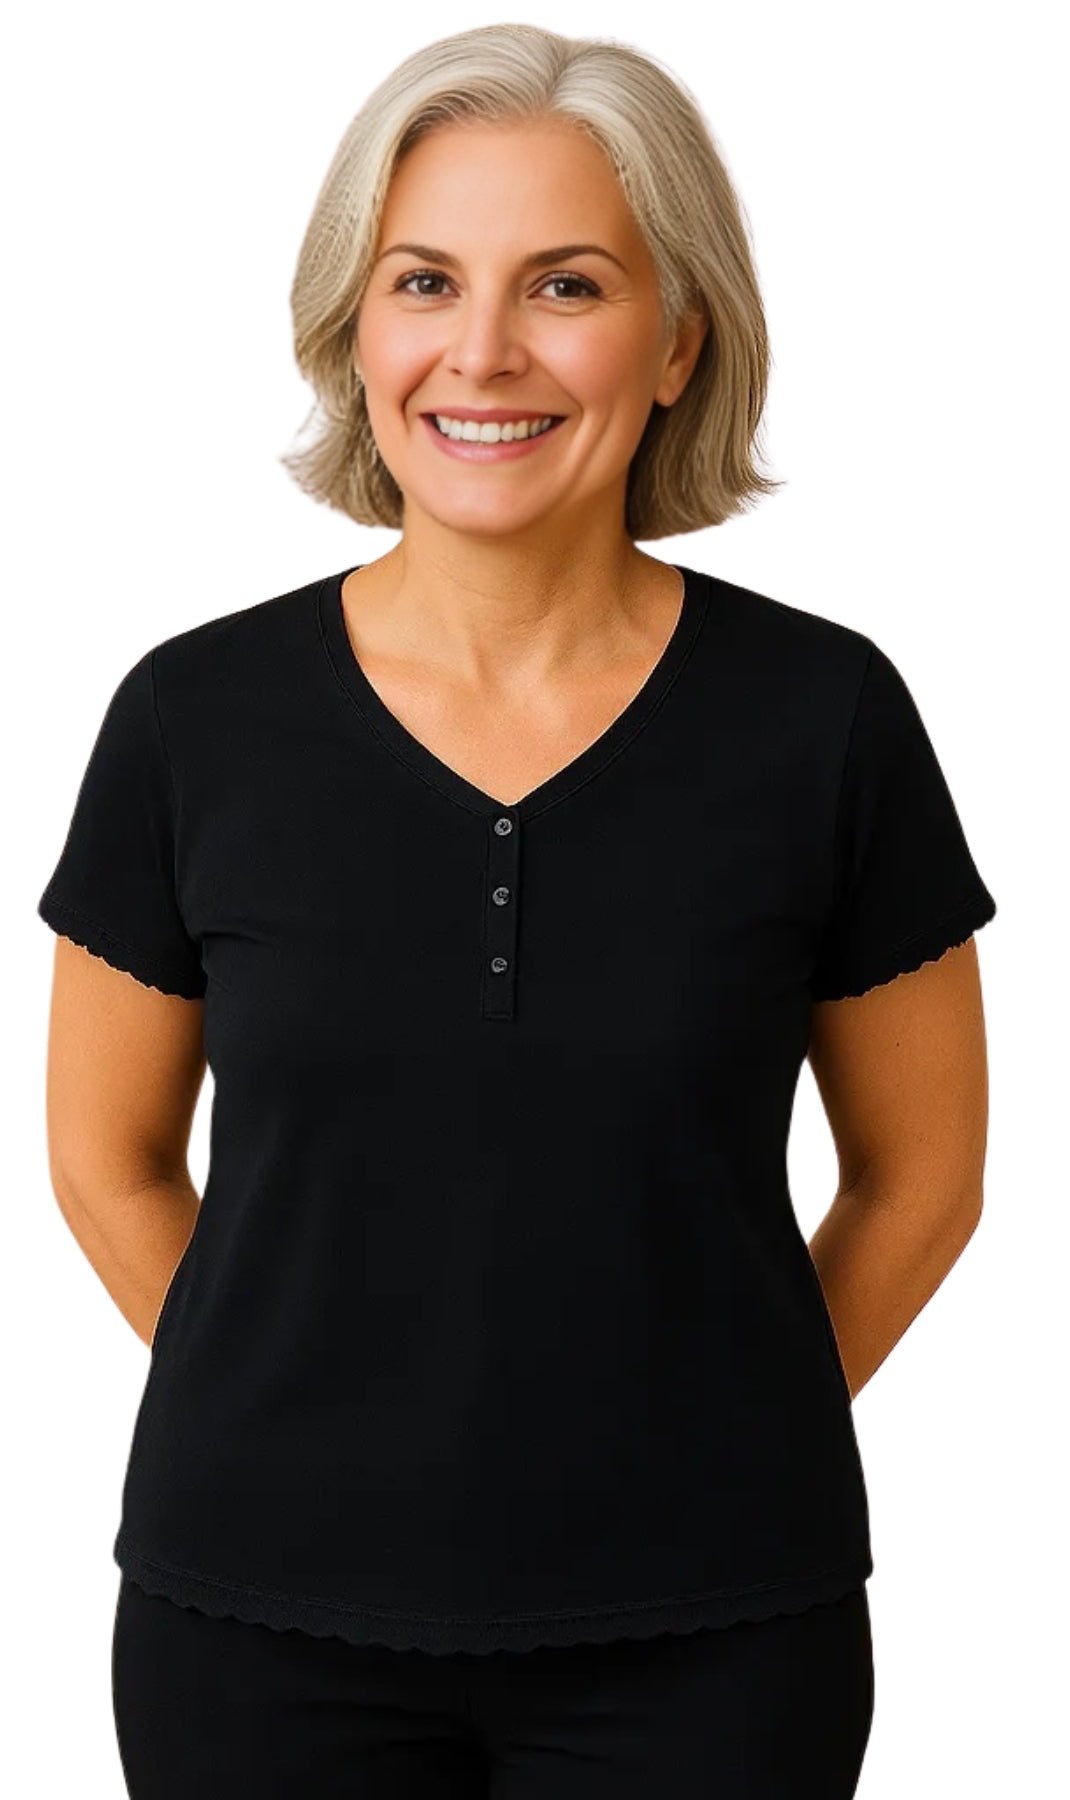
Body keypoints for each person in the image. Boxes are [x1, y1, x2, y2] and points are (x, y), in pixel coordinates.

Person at [38, 22, 996, 1799]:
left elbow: (921, 1178)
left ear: (677, 336)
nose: (482, 353)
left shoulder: (825, 718)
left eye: (565, 285)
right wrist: (301, 1424)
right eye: (424, 282)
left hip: (718, 1646)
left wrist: (714, 1441)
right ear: (353, 327)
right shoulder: (191, 719)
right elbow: (105, 1158)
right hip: (251, 1642)